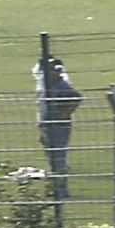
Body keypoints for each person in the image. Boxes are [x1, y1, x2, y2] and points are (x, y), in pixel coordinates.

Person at [36, 56, 82, 200]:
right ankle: (54, 188)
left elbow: (76, 97)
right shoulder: (47, 85)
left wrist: (65, 113)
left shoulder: (62, 85)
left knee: (58, 159)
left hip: (58, 127)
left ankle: (61, 191)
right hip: (47, 125)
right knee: (51, 159)